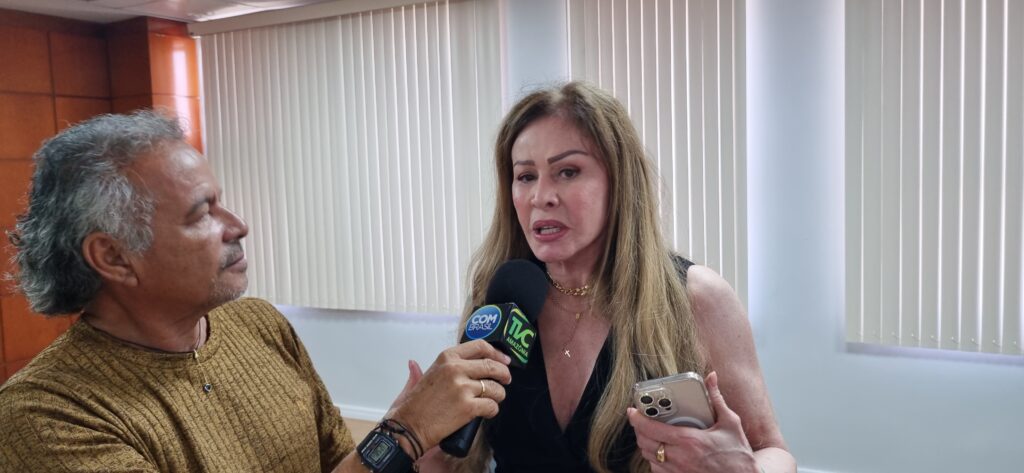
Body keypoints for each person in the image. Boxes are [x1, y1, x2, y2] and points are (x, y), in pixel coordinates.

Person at [0, 110, 511, 473]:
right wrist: (404, 432)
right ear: (113, 257)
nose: (237, 225)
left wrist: (412, 458)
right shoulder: (47, 418)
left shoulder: (258, 324)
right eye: (201, 213)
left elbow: (340, 462)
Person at [446, 82, 797, 472]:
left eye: (567, 171)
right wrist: (413, 438)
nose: (541, 196)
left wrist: (743, 469)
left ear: (619, 180)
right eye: (526, 176)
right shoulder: (499, 297)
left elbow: (774, 450)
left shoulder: (696, 296)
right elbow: (461, 457)